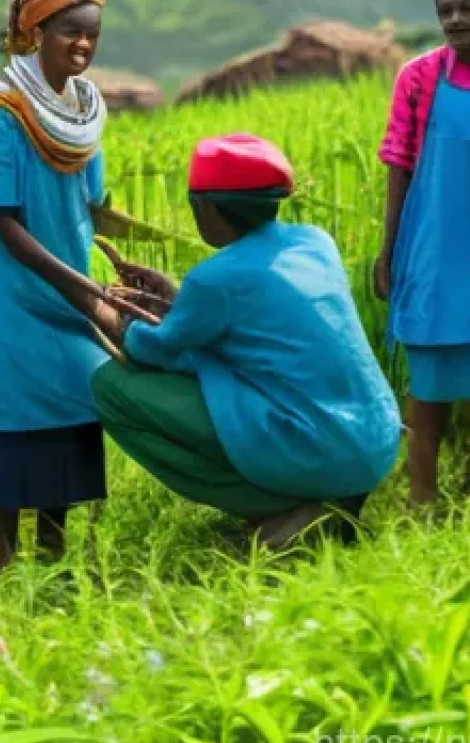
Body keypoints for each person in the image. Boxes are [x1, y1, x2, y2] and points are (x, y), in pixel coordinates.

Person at [28, 133, 402, 549]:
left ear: (206, 207)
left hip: (318, 448)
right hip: (373, 441)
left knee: (108, 390)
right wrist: (177, 298)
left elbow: (145, 348)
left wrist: (86, 295)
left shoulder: (216, 279)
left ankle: (283, 508)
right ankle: (323, 497)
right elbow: (246, 323)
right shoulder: (315, 242)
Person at [0, 0, 111, 569]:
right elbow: (4, 223)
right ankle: (6, 556)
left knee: (71, 391)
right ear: (35, 33)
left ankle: (56, 544)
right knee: (7, 402)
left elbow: (91, 201)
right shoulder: (0, 113)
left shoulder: (84, 109)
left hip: (66, 274)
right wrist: (84, 293)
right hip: (3, 284)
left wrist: (112, 268)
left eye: (92, 32)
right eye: (71, 31)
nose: (84, 44)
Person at [375, 0, 470, 506]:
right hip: (433, 251)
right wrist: (390, 253)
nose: (455, 20)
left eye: (465, 8)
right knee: (428, 382)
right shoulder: (419, 78)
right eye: (446, 11)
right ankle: (421, 499)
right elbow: (399, 164)